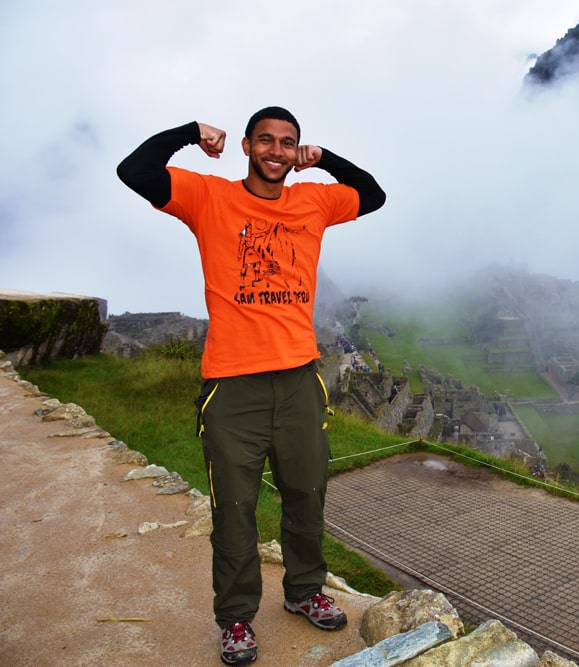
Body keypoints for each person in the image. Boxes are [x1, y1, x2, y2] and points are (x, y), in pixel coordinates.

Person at [117, 107, 385, 666]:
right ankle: (236, 618)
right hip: (231, 386)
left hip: (298, 380)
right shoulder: (208, 198)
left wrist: (326, 158)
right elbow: (134, 170)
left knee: (307, 494)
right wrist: (190, 133)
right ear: (246, 146)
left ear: (296, 153)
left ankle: (305, 590)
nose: (276, 150)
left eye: (288, 143)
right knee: (233, 507)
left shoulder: (315, 201)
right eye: (266, 140)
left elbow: (373, 194)